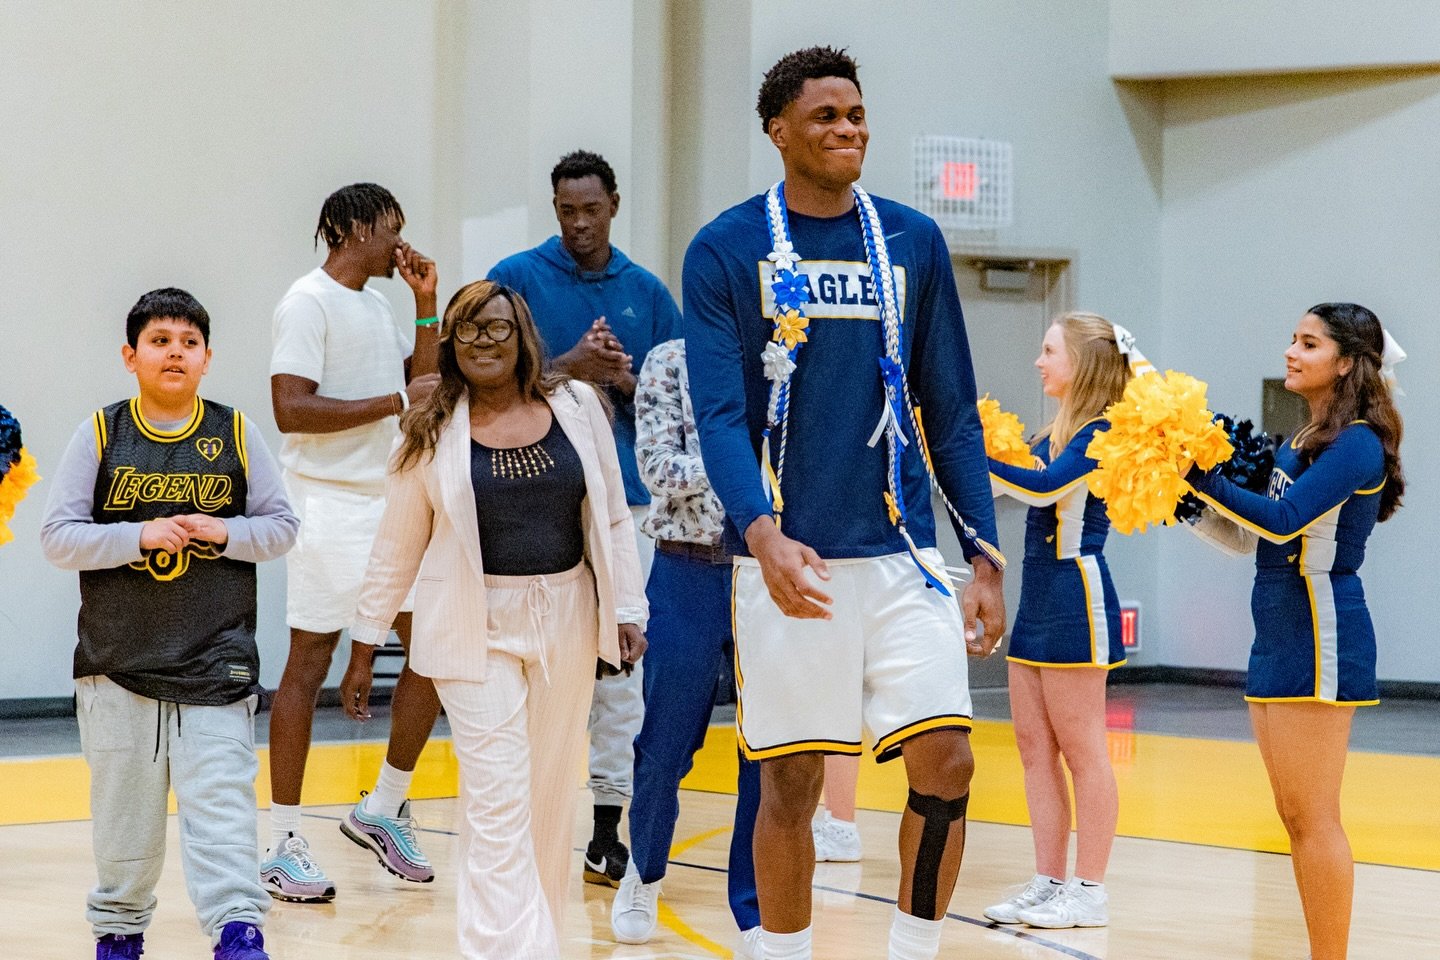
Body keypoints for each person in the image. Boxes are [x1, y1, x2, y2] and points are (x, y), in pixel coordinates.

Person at [684, 46, 1007, 960]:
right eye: (825, 115)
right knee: (791, 787)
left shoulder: (912, 241)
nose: (848, 129)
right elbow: (720, 415)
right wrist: (761, 535)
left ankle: (914, 950)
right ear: (778, 131)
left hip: (904, 556)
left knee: (948, 763)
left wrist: (984, 557)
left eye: (856, 113)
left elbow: (951, 409)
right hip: (791, 562)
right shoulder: (726, 247)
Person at [345, 279, 647, 959]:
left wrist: (627, 607)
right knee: (497, 797)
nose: (484, 341)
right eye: (469, 329)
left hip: (567, 617)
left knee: (548, 797)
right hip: (470, 622)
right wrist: (364, 643)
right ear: (451, 343)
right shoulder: (430, 427)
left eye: (497, 327)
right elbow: (397, 545)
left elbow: (613, 517)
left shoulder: (578, 405)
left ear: (523, 336)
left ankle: (539, 940)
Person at [40, 288, 299, 960]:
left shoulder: (236, 432)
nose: (175, 353)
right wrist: (138, 536)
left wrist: (226, 531)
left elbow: (282, 528)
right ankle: (119, 932)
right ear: (131, 356)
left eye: (189, 342)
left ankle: (239, 931)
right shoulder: (101, 433)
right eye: (159, 341)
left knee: (223, 809)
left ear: (208, 358)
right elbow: (58, 538)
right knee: (124, 825)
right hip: (118, 664)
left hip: (216, 660)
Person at [1187, 303, 1404, 960]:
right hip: (1277, 629)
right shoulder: (1301, 438)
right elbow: (1256, 538)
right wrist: (1188, 503)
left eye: (1308, 343)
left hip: (1320, 630)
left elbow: (1283, 521)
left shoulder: (1357, 443)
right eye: (1293, 339)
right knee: (1293, 817)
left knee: (1314, 817)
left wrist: (1201, 477)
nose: (1291, 351)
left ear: (1346, 362)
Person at [489, 149, 681, 885]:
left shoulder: (647, 292)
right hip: (531, 500)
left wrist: (626, 379)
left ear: (614, 207)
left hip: (626, 503)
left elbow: (678, 403)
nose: (578, 224)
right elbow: (484, 386)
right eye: (566, 211)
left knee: (621, 663)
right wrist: (571, 364)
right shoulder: (515, 279)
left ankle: (606, 830)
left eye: (591, 210)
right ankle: (523, 823)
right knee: (533, 663)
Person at [263, 182, 443, 900]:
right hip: (327, 504)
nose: (400, 243)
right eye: (391, 229)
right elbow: (290, 408)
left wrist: (426, 304)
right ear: (354, 229)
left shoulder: (375, 304)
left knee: (432, 647)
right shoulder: (306, 302)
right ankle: (281, 841)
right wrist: (394, 403)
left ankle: (383, 806)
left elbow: (422, 386)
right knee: (309, 662)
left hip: (387, 500)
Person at [608, 338, 762, 958]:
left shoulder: (786, 353)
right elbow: (656, 469)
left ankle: (755, 909)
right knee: (665, 744)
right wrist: (740, 464)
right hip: (685, 571)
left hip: (766, 576)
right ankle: (643, 873)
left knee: (768, 748)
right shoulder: (672, 360)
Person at [981, 312, 1136, 929]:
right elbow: (1009, 487)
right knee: (1034, 748)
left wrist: (972, 454)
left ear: (1083, 363)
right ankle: (1048, 881)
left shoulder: (1101, 432)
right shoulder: (1056, 431)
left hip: (1078, 596)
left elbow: (1043, 489)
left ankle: (1090, 889)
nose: (1039, 362)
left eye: (1049, 351)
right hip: (1040, 598)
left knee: (1083, 750)